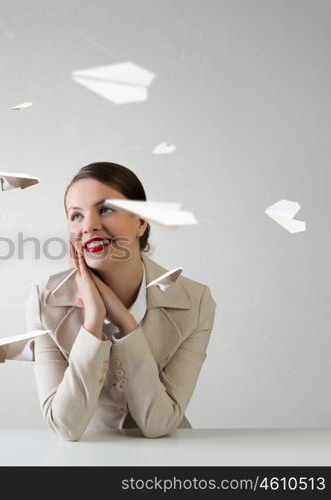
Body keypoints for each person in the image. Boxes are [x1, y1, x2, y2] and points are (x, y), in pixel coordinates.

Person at [25, 162, 216, 441]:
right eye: (76, 216)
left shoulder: (195, 302)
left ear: (140, 222)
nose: (88, 226)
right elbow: (65, 426)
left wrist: (125, 323)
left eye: (105, 210)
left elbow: (159, 424)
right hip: (87, 461)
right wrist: (93, 322)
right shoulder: (45, 303)